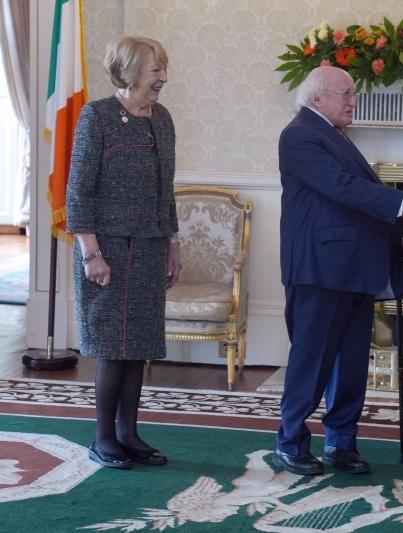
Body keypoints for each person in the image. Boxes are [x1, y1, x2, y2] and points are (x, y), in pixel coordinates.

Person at [275, 66, 403, 476]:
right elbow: (341, 188)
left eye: (353, 92)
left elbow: (353, 200)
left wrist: (393, 235)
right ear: (317, 98)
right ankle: (291, 441)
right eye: (345, 92)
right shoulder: (298, 135)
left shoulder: (335, 135)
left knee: (350, 363)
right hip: (319, 268)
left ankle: (341, 442)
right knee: (312, 361)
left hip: (353, 266)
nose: (353, 100)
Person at [66, 35, 180, 469]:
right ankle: (102, 439)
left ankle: (129, 434)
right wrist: (90, 253)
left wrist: (173, 242)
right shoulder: (97, 117)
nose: (163, 78)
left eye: (163, 69)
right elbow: (77, 190)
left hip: (150, 247)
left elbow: (165, 189)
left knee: (138, 347)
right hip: (109, 251)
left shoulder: (163, 120)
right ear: (129, 71)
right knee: (114, 346)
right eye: (156, 70)